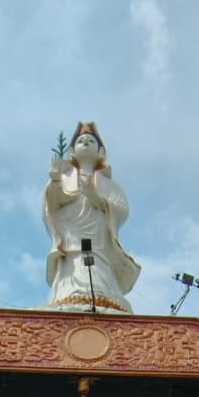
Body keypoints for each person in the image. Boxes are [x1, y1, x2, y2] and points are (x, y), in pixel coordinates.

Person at [43, 122, 141, 313]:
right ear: (71, 150)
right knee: (72, 271)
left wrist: (94, 195)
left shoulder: (109, 185)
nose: (86, 142)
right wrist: (55, 179)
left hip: (98, 243)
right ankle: (69, 296)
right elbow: (51, 206)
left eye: (90, 140)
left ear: (101, 152)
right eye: (81, 141)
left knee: (98, 271)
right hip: (71, 239)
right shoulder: (64, 178)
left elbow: (121, 209)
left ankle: (102, 297)